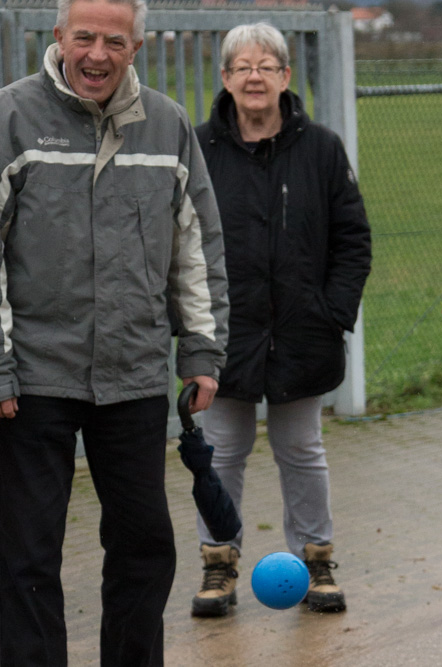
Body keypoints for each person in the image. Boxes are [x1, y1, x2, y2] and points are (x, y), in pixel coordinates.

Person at [0, 0, 229, 663]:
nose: (97, 53)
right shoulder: (11, 118)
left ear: (138, 46)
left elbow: (197, 247)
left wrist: (203, 349)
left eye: (114, 41)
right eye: (85, 38)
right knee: (26, 555)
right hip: (34, 378)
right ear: (59, 39)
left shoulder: (168, 125)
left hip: (132, 375)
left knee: (145, 545)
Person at [188, 22, 371, 618]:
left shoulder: (320, 148)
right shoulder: (199, 149)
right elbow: (179, 243)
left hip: (302, 334)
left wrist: (332, 314)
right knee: (219, 452)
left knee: (302, 450)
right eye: (242, 66)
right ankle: (218, 564)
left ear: (286, 77)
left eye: (267, 65)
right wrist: (195, 328)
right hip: (224, 338)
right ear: (225, 79)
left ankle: (316, 560)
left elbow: (353, 240)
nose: (254, 76)